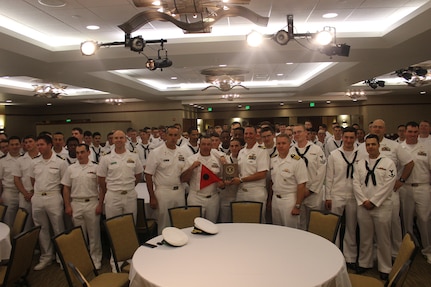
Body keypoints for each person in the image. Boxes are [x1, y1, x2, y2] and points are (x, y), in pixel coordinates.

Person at [358, 119, 414, 259]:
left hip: (389, 192)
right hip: (368, 191)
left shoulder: (394, 146)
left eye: (380, 127)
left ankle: (396, 254)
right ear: (371, 128)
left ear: (384, 129)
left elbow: (409, 163)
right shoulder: (361, 147)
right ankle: (373, 256)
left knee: (393, 223)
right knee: (370, 229)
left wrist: (401, 180)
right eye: (375, 127)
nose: (377, 129)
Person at [353, 134, 397, 280]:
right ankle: (365, 263)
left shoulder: (388, 163)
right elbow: (356, 184)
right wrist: (364, 200)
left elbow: (388, 185)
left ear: (379, 145)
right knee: (365, 237)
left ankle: (385, 267)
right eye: (368, 145)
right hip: (363, 206)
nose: (370, 147)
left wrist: (374, 201)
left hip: (382, 206)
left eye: (373, 144)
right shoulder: (360, 163)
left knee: (383, 238)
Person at [62, 144, 103, 269]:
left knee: (94, 233)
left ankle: (96, 259)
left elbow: (102, 188)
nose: (79, 155)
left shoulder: (96, 167)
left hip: (92, 202)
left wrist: (100, 204)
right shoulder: (71, 169)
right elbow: (66, 188)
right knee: (79, 234)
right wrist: (67, 205)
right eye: (77, 152)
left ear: (88, 152)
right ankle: (83, 258)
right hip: (76, 203)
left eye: (82, 152)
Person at [30, 134, 68, 271]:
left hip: (53, 196)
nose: (39, 147)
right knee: (41, 229)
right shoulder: (34, 162)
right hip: (38, 197)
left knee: (58, 228)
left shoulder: (60, 162)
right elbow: (32, 180)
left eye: (41, 145)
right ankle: (46, 256)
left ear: (49, 145)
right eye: (38, 145)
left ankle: (61, 257)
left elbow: (65, 184)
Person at [325, 127, 359, 268]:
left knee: (352, 227)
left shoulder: (361, 154)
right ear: (342, 137)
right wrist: (328, 196)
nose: (349, 140)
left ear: (355, 138)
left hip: (354, 195)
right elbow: (329, 177)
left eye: (352, 137)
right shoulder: (334, 155)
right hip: (337, 194)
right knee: (336, 227)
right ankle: (335, 256)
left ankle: (350, 258)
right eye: (346, 137)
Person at [398, 121, 431, 264]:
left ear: (418, 133)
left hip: (423, 187)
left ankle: (428, 250)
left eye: (415, 132)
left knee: (424, 219)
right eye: (410, 131)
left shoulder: (427, 148)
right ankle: (409, 250)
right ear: (405, 132)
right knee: (407, 221)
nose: (412, 134)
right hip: (405, 188)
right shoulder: (399, 147)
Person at [145, 126, 186, 234]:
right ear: (165, 136)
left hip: (179, 191)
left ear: (179, 136)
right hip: (163, 192)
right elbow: (148, 175)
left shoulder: (182, 152)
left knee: (180, 222)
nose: (173, 138)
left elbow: (184, 173)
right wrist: (152, 196)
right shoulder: (156, 153)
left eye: (175, 135)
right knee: (164, 224)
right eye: (170, 135)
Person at [97, 130, 143, 222]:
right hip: (113, 196)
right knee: (113, 225)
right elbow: (101, 178)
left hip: (130, 195)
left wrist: (131, 185)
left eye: (121, 138)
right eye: (116, 138)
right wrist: (108, 189)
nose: (119, 140)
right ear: (112, 140)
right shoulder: (106, 158)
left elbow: (138, 174)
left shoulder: (134, 156)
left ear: (126, 139)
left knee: (130, 224)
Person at [226, 125, 269, 221]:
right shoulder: (241, 151)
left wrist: (241, 180)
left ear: (256, 135)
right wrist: (230, 179)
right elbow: (239, 171)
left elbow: (262, 174)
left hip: (256, 192)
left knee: (257, 221)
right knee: (241, 220)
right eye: (246, 133)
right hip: (241, 191)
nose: (248, 136)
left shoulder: (261, 151)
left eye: (250, 133)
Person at [291, 124, 326, 230]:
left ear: (306, 133)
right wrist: (300, 191)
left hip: (313, 193)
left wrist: (310, 190)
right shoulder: (291, 150)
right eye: (295, 133)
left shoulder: (316, 149)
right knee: (299, 224)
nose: (297, 134)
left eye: (299, 132)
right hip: (298, 193)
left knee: (314, 224)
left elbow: (321, 172)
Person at [181, 136, 222, 223]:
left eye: (208, 144)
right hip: (195, 197)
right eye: (203, 144)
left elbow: (221, 178)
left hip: (213, 197)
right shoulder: (191, 159)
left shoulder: (218, 161)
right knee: (195, 225)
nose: (206, 147)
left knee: (212, 224)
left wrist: (221, 183)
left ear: (211, 146)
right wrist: (191, 168)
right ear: (199, 145)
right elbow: (183, 179)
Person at [270, 134, 307, 228]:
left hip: (289, 200)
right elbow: (272, 182)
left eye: (283, 143)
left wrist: (297, 205)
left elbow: (302, 185)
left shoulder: (297, 161)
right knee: (277, 229)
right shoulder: (273, 160)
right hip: (275, 199)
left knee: (292, 230)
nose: (281, 146)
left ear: (290, 144)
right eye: (278, 143)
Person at [13, 135, 39, 232]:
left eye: (30, 141)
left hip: (38, 194)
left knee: (39, 222)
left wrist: (33, 192)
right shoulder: (20, 160)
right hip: (25, 195)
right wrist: (25, 193)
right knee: (25, 224)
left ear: (36, 142)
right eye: (26, 142)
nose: (28, 144)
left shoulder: (41, 158)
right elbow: (16, 179)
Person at [0, 136, 22, 227]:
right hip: (9, 193)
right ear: (8, 146)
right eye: (12, 145)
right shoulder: (2, 161)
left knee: (23, 220)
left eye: (17, 144)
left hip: (23, 193)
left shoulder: (25, 159)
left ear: (20, 145)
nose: (14, 146)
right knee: (9, 220)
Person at [218, 139, 242, 222]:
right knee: (225, 221)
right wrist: (224, 182)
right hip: (226, 196)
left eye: (236, 146)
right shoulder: (225, 160)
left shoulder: (244, 159)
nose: (234, 148)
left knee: (239, 221)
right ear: (229, 148)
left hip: (240, 194)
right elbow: (220, 176)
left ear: (241, 147)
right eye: (232, 146)